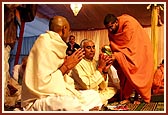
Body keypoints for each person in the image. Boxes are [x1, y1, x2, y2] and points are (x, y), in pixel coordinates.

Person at [21, 16, 103, 111]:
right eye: (69, 30)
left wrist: (66, 68)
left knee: (94, 95)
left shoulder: (57, 44)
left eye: (93, 47)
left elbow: (61, 78)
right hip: (40, 98)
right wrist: (66, 67)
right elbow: (42, 83)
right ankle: (84, 110)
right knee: (67, 102)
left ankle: (82, 109)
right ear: (64, 29)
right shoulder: (45, 42)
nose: (92, 50)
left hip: (56, 92)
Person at [103, 14, 154, 104]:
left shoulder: (128, 23)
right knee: (124, 70)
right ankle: (126, 96)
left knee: (136, 71)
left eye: (111, 27)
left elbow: (130, 45)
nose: (110, 30)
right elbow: (115, 45)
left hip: (139, 50)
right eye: (108, 28)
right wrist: (114, 55)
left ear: (116, 22)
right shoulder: (111, 31)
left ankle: (139, 97)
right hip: (125, 53)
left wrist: (117, 55)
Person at [70, 39, 117, 105]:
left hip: (96, 92)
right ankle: (100, 101)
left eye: (93, 47)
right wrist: (100, 68)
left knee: (114, 89)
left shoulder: (96, 62)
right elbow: (87, 85)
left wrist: (105, 71)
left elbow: (103, 87)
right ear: (82, 50)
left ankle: (100, 100)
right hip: (85, 93)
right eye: (88, 48)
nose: (92, 50)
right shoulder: (77, 64)